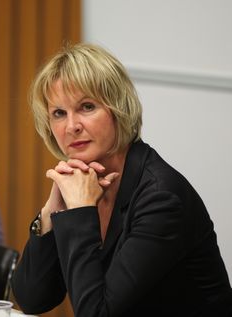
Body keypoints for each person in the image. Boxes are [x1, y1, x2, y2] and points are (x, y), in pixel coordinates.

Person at [12, 43, 232, 317]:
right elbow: (33, 300)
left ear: (118, 109)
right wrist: (51, 212)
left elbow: (96, 313)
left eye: (87, 107)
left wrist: (81, 212)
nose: (71, 126)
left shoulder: (162, 197)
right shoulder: (84, 184)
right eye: (59, 113)